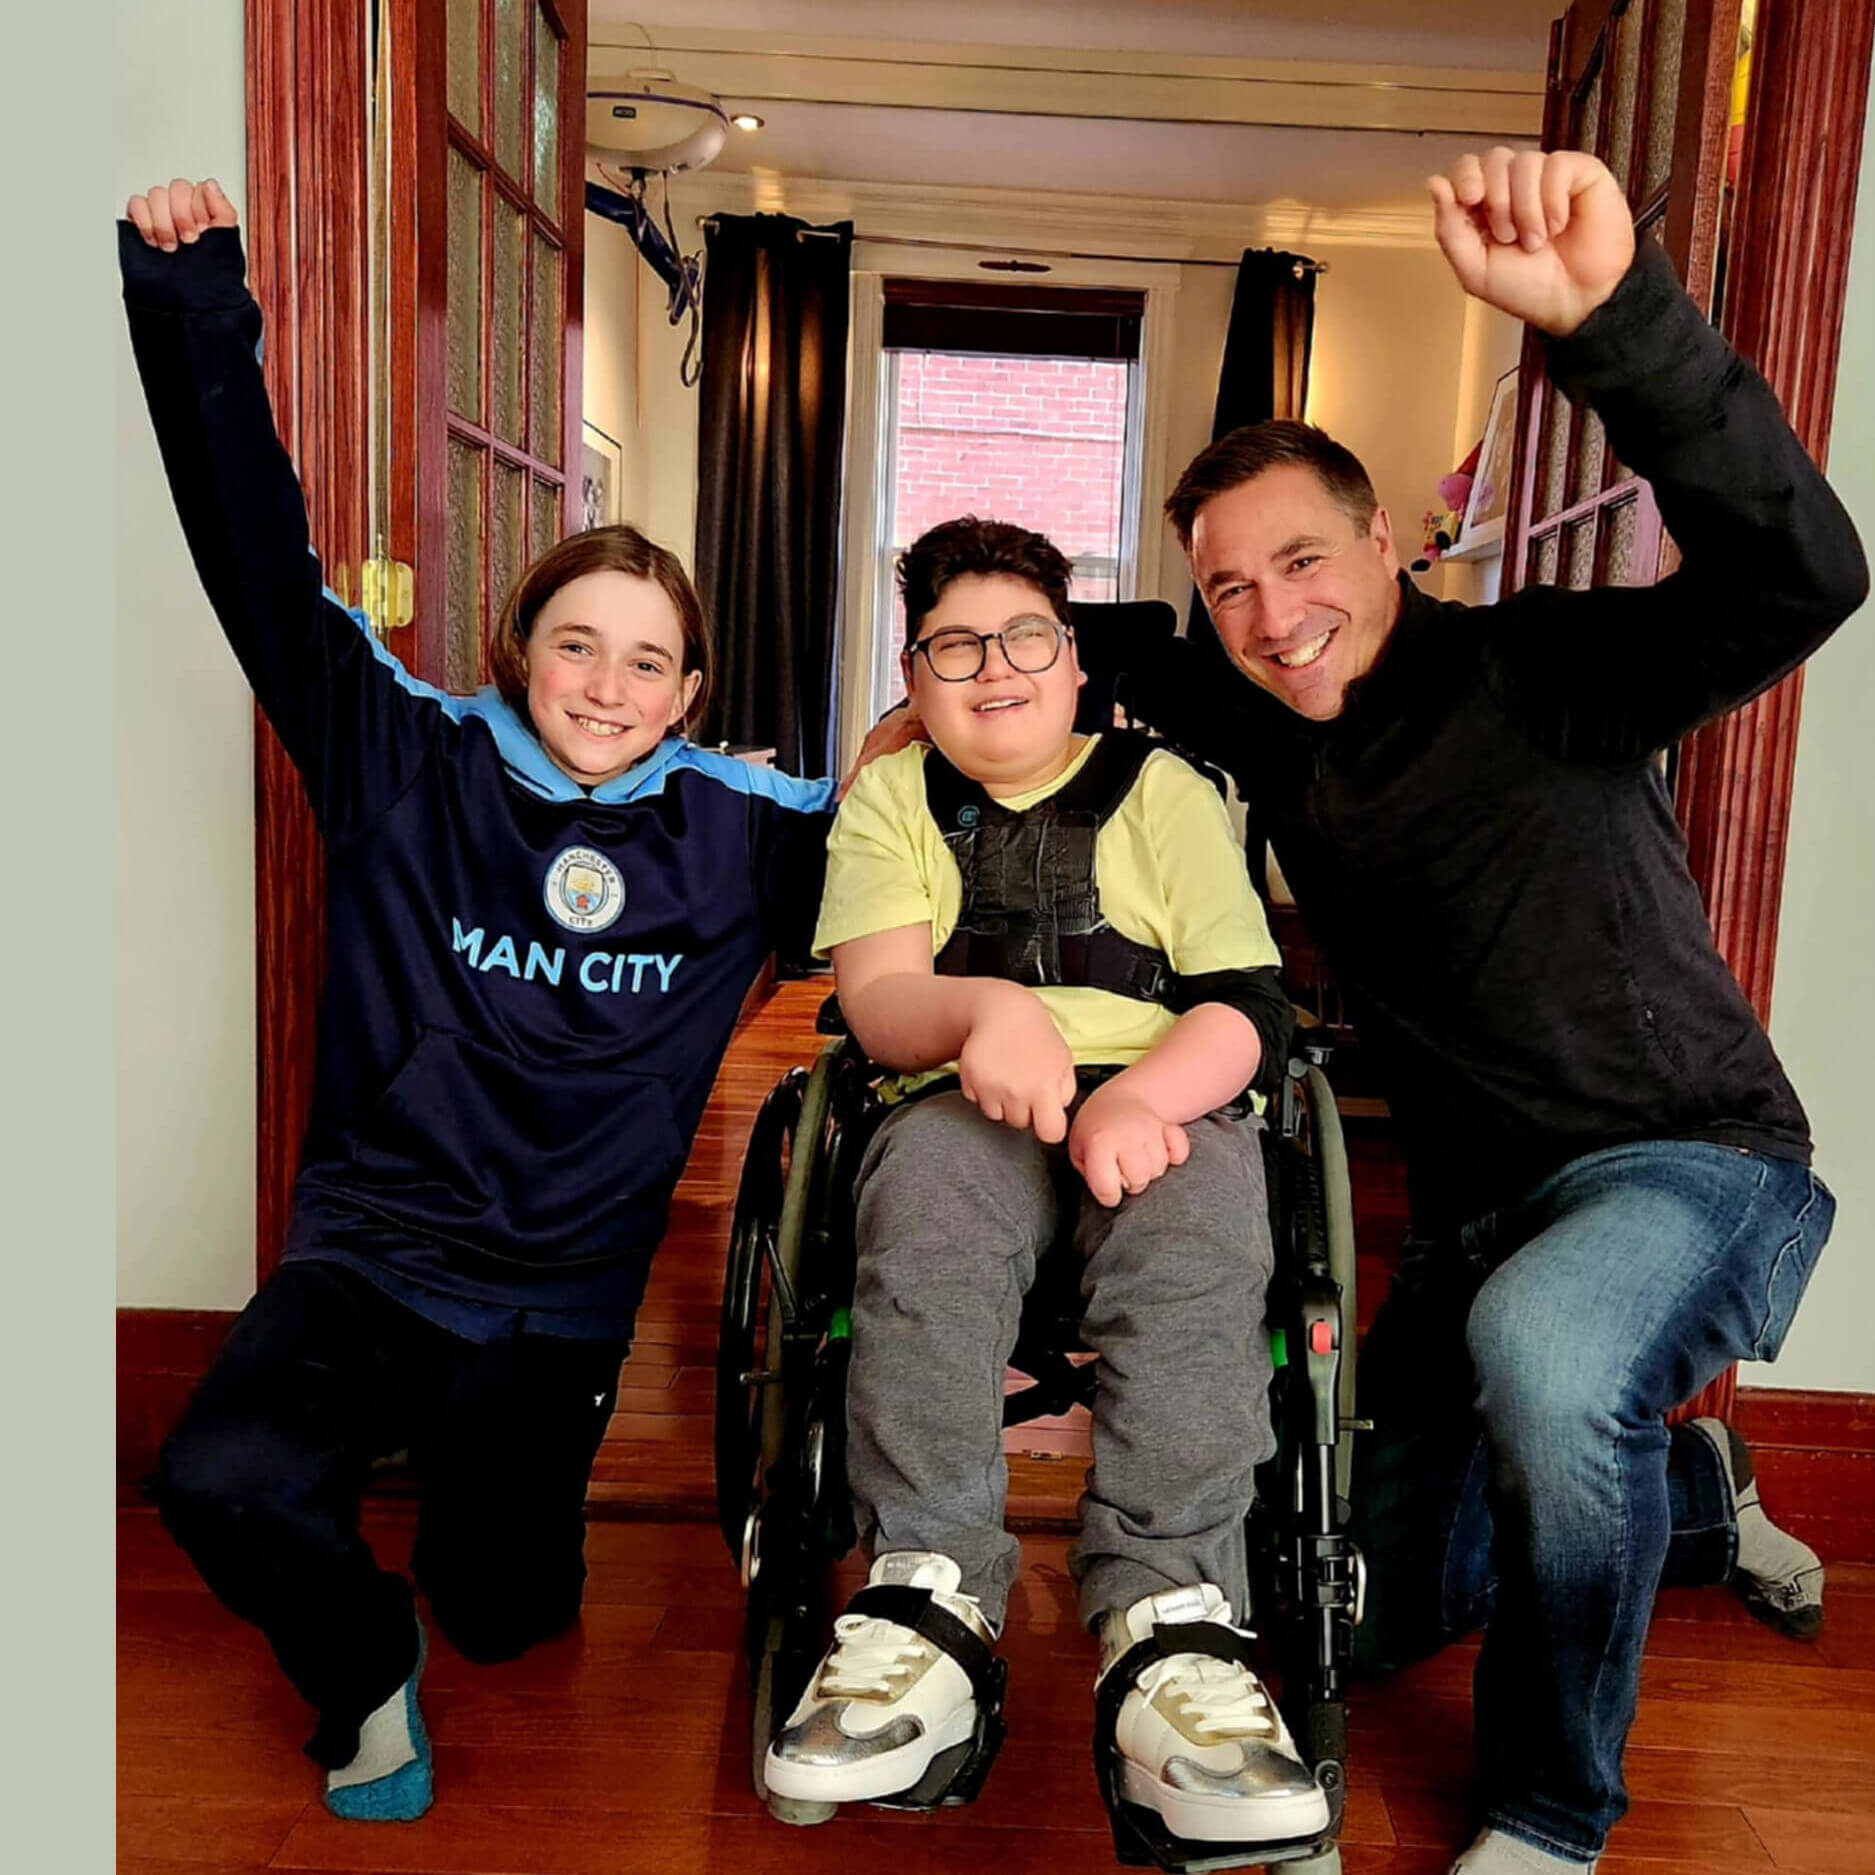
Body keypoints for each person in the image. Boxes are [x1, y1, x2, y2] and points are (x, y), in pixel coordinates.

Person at [1091, 148, 1864, 1874]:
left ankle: (1550, 1809)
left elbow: (1802, 571)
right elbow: (1083, 659)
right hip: (1470, 1228)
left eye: (1304, 560)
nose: (1275, 616)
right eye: (1231, 588)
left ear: (1387, 541)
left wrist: (1617, 319)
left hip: (1690, 1163)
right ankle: (1692, 1498)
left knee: (1552, 1361)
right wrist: (946, 700)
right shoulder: (1260, 719)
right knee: (1359, 1607)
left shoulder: (1540, 666)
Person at [120, 178, 836, 1822]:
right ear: (521, 650)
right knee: (215, 1479)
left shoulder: (746, 829)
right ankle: (365, 1667)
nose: (608, 685)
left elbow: (919, 833)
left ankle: (473, 1533)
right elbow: (253, 556)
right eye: (578, 644)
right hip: (376, 1254)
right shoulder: (407, 756)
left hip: (560, 1302)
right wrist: (190, 302)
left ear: (692, 692)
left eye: (647, 661)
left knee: (506, 1616)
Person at [761, 516, 1332, 1855]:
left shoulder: (1166, 791)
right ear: (914, 677)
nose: (995, 668)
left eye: (1025, 637)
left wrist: (1141, 1095)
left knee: (1202, 1244)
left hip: (1164, 1098)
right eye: (955, 646)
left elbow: (1247, 1005)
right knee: (927, 1214)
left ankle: (1170, 1620)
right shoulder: (893, 801)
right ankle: (929, 1597)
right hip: (960, 1103)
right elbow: (878, 1001)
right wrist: (983, 1012)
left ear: (1075, 661)